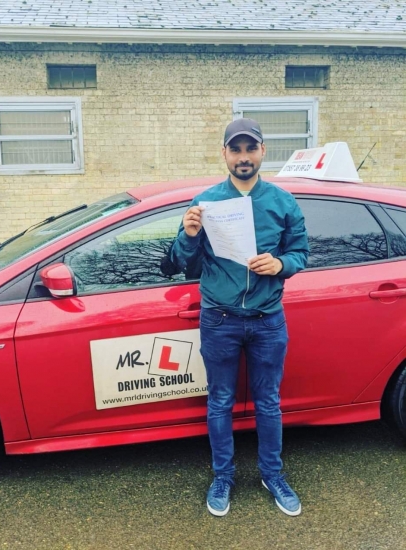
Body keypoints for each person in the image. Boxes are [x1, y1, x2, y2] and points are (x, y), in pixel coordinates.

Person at [170, 118, 309, 517]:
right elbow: (183, 262)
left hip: (268, 319)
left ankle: (272, 474)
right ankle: (223, 477)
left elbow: (301, 253)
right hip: (220, 319)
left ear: (263, 152)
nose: (244, 157)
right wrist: (190, 234)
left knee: (268, 402)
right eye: (236, 149)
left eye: (251, 149)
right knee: (220, 402)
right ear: (225, 154)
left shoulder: (282, 202)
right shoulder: (206, 201)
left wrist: (280, 263)